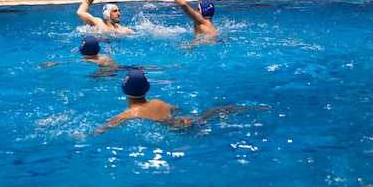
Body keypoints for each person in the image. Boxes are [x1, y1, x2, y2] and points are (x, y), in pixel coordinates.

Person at [88, 69, 254, 135]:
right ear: (147, 88)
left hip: (181, 131)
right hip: (190, 121)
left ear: (124, 90)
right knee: (221, 111)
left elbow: (105, 128)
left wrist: (88, 135)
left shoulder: (128, 114)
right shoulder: (159, 102)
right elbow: (175, 108)